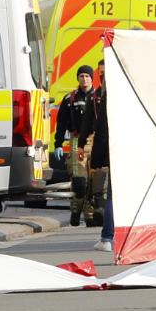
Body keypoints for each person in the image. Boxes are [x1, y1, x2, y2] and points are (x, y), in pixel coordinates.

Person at [54, 65, 95, 227]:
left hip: (96, 141)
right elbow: (61, 123)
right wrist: (58, 144)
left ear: (92, 78)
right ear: (77, 78)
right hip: (77, 141)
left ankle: (90, 216)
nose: (84, 79)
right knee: (79, 182)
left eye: (87, 76)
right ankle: (76, 211)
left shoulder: (100, 97)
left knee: (94, 183)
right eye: (82, 76)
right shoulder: (69, 99)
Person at [79, 59, 113, 252]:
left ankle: (108, 236)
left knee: (114, 196)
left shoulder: (110, 94)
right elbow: (87, 123)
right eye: (100, 72)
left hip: (113, 147)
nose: (102, 76)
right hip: (105, 147)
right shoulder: (95, 96)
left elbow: (102, 128)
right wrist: (82, 144)